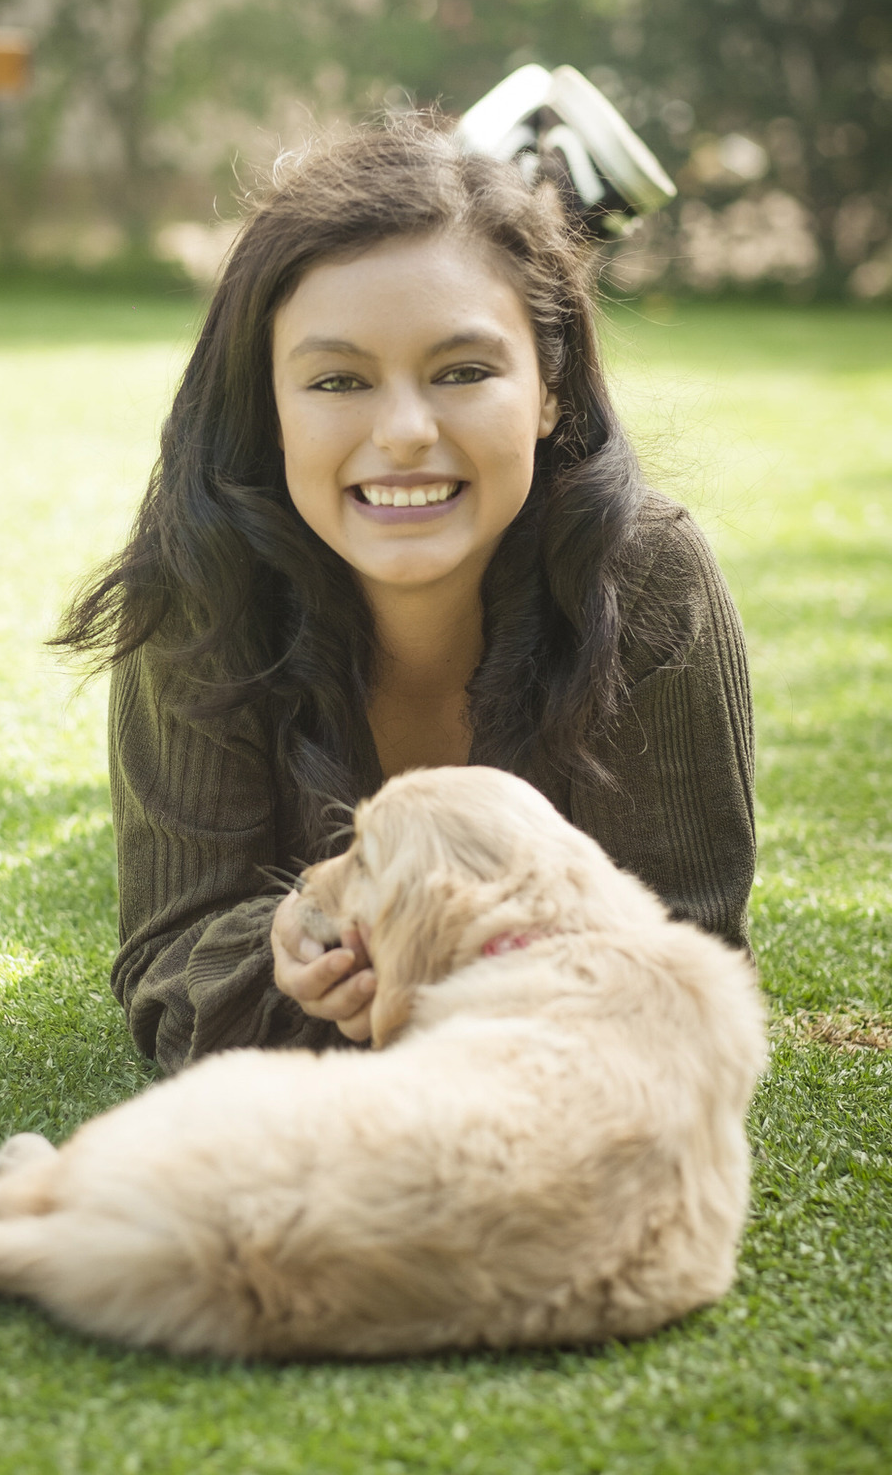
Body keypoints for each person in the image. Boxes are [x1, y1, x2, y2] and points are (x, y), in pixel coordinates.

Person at [53, 114, 754, 1074]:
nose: (407, 432)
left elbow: (691, 943)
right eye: (338, 380)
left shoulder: (646, 575)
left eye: (463, 371)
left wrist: (424, 974)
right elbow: (170, 959)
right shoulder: (202, 584)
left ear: (551, 390)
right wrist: (289, 950)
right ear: (269, 406)